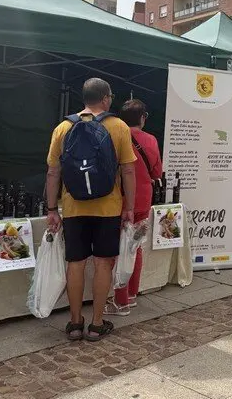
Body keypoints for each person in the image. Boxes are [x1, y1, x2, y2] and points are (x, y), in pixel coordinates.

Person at [46, 78, 137, 342]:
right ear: (106, 98)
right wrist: (130, 207)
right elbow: (128, 170)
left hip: (74, 207)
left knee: (75, 263)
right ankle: (97, 324)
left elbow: (53, 172)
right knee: (102, 263)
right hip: (108, 208)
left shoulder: (63, 128)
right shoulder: (118, 126)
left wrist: (52, 208)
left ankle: (75, 323)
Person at [105, 99, 163, 316]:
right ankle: (131, 294)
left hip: (120, 200)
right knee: (134, 247)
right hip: (143, 199)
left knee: (119, 248)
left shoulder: (115, 136)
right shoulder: (151, 140)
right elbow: (157, 173)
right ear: (142, 118)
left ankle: (120, 302)